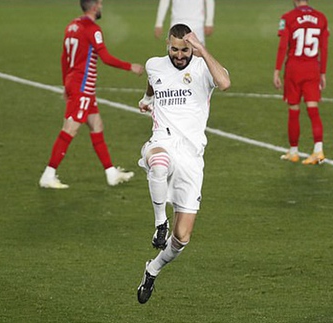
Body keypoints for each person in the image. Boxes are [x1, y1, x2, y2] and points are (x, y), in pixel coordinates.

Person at [136, 23, 230, 304]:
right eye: (174, 49)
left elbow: (225, 83)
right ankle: (159, 223)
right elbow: (152, 82)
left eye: (185, 49)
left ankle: (152, 270)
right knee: (159, 163)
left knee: (182, 237)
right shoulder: (154, 64)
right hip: (162, 141)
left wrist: (202, 50)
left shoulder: (203, 68)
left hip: (192, 156)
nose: (179, 55)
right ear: (167, 44)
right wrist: (147, 99)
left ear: (192, 47)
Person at [39, 0, 144, 189]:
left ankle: (111, 173)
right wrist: (130, 67)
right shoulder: (92, 29)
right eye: (100, 4)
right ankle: (48, 174)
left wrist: (65, 84)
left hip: (74, 82)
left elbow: (65, 57)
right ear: (94, 6)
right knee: (70, 128)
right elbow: (105, 57)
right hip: (82, 86)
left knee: (97, 125)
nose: (102, 7)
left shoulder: (72, 26)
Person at [274, 0, 329, 165]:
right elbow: (324, 48)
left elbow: (283, 46)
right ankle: (318, 151)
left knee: (294, 110)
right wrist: (323, 73)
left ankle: (294, 151)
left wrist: (277, 70)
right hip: (313, 68)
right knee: (313, 110)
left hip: (294, 69)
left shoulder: (288, 17)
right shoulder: (321, 18)